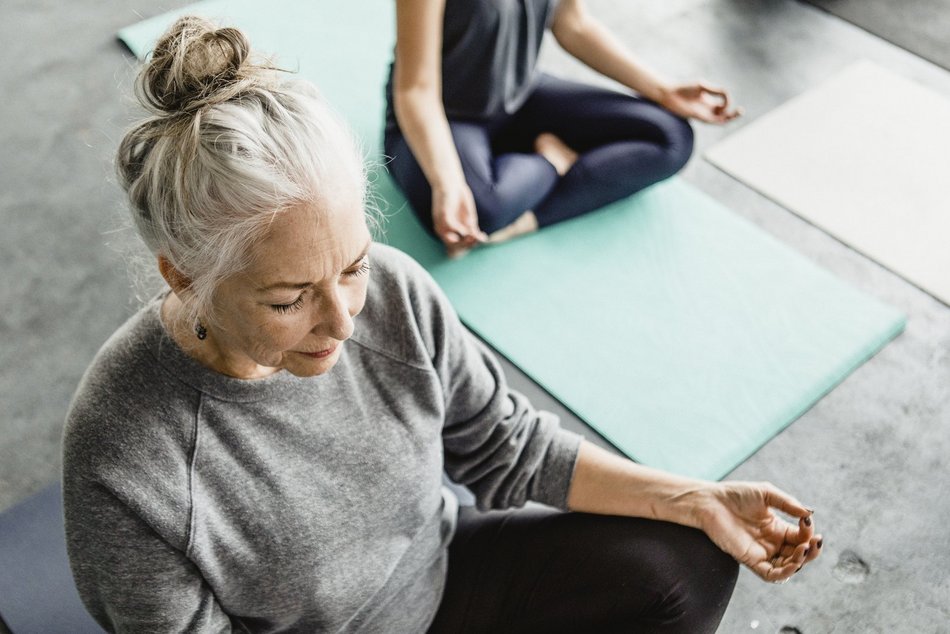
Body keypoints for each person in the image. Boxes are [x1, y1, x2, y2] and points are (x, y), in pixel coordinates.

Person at [63, 16, 820, 634]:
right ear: (184, 276)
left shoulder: (395, 294)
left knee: (685, 563)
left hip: (446, 573)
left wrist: (695, 498)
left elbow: (507, 448)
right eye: (289, 300)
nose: (344, 320)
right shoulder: (126, 459)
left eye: (352, 266)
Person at [386, 0, 741, 256]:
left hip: (519, 96)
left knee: (671, 137)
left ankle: (525, 213)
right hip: (442, 116)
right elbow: (415, 90)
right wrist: (448, 182)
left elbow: (573, 24)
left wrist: (664, 90)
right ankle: (550, 163)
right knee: (478, 210)